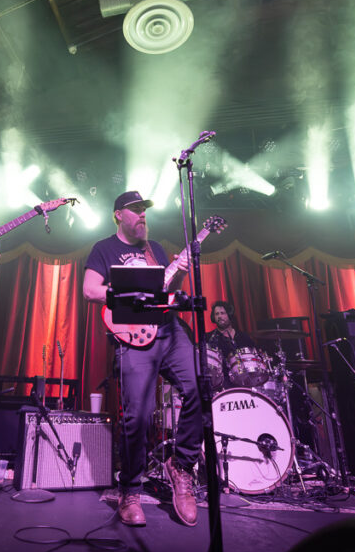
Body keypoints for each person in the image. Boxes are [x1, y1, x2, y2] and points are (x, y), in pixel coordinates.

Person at [83, 190, 201, 527]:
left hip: (169, 330)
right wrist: (125, 290)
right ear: (118, 215)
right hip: (134, 338)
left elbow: (166, 290)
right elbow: (90, 289)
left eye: (144, 210)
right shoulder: (104, 249)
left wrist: (179, 271)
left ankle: (181, 466)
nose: (142, 216)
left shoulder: (157, 249)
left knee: (198, 389)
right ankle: (130, 489)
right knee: (139, 416)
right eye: (135, 210)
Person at [207, 300, 258, 389]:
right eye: (217, 314)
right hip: (221, 384)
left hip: (245, 381)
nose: (219, 316)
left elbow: (255, 357)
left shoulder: (243, 337)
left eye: (222, 313)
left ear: (229, 315)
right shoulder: (209, 338)